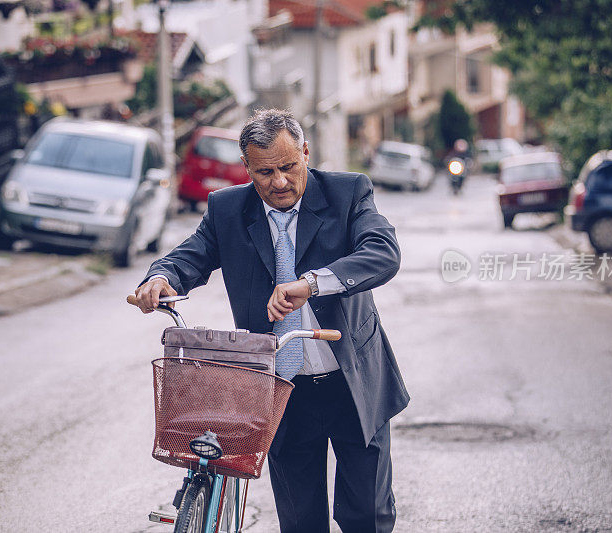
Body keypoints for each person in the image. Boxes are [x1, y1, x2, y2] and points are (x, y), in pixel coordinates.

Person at [135, 109, 409, 532]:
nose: (279, 182)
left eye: (288, 167)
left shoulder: (348, 193)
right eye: (265, 173)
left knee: (367, 516)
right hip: (281, 392)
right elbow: (192, 254)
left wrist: (312, 284)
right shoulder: (227, 209)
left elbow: (383, 252)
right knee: (301, 522)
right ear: (246, 167)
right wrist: (160, 277)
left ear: (305, 152)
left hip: (353, 382)